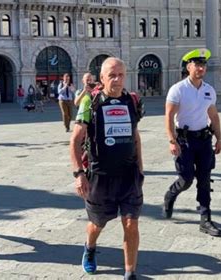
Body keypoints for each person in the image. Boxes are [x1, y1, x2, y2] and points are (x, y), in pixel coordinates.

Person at [69, 57, 144, 280]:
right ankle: (90, 248)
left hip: (129, 176)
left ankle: (130, 272)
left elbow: (136, 136)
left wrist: (140, 169)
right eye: (112, 75)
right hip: (100, 176)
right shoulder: (90, 103)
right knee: (97, 223)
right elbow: (74, 140)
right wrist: (79, 174)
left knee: (131, 223)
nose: (117, 79)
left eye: (121, 75)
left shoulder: (132, 100)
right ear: (101, 78)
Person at [163, 48, 221, 237]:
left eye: (203, 65)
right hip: (184, 141)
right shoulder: (178, 89)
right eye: (197, 65)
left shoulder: (208, 90)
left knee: (204, 180)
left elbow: (213, 115)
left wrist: (219, 138)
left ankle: (205, 218)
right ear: (188, 67)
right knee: (186, 178)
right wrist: (172, 141)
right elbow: (169, 116)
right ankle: (170, 195)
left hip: (204, 140)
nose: (201, 68)